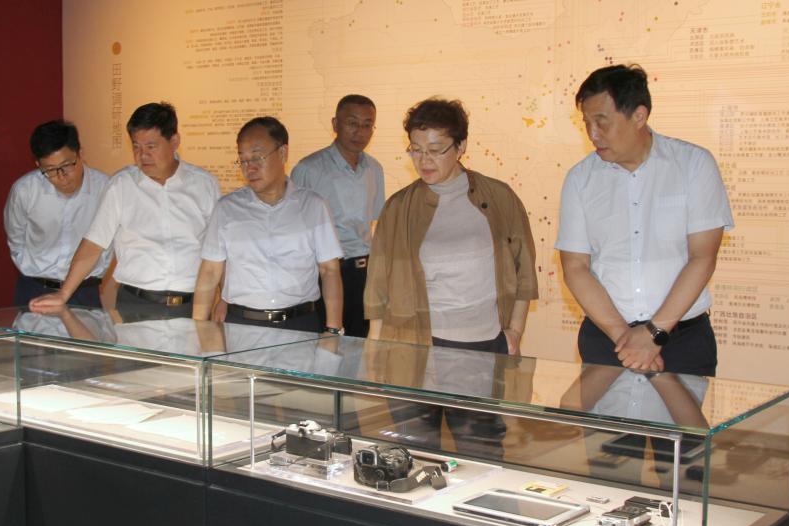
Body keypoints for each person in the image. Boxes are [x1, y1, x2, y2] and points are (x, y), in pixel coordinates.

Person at [364, 98, 538, 458]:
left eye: (435, 150)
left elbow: (524, 268)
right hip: (412, 346)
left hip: (477, 348)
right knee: (412, 454)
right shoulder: (399, 207)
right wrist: (375, 352)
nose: (423, 160)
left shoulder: (498, 198)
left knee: (481, 453)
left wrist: (514, 332)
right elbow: (378, 287)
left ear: (461, 147)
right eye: (415, 150)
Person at [556, 64, 733, 377]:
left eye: (602, 122)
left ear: (639, 116)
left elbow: (703, 257)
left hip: (683, 338)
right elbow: (575, 266)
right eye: (587, 123)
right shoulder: (580, 179)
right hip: (608, 339)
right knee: (601, 414)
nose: (593, 134)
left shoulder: (693, 165)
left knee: (684, 412)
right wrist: (627, 340)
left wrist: (653, 334)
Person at [29, 102, 220, 321]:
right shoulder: (121, 185)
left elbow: (218, 253)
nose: (143, 155)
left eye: (151, 146)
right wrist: (63, 294)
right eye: (136, 146)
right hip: (136, 305)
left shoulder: (204, 185)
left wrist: (222, 301)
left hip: (191, 306)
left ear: (174, 141)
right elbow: (94, 244)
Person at [192, 116, 344, 334]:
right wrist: (198, 330)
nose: (249, 168)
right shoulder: (227, 209)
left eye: (257, 158)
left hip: (299, 324)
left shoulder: (313, 206)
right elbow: (209, 272)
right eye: (243, 160)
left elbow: (330, 271)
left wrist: (334, 329)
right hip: (242, 326)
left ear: (283, 153)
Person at [291, 94, 385, 337]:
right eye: (352, 123)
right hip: (326, 273)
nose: (360, 132)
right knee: (326, 344)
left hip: (364, 273)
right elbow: (294, 228)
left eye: (367, 125)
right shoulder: (308, 169)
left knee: (361, 344)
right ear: (335, 124)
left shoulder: (374, 169)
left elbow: (373, 223)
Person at [5, 120, 111, 307]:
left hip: (85, 291)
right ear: (38, 165)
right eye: (50, 170)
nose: (61, 176)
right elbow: (16, 238)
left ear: (80, 153)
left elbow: (108, 244)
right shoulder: (25, 190)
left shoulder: (105, 189)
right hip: (35, 288)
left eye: (67, 165)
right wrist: (33, 269)